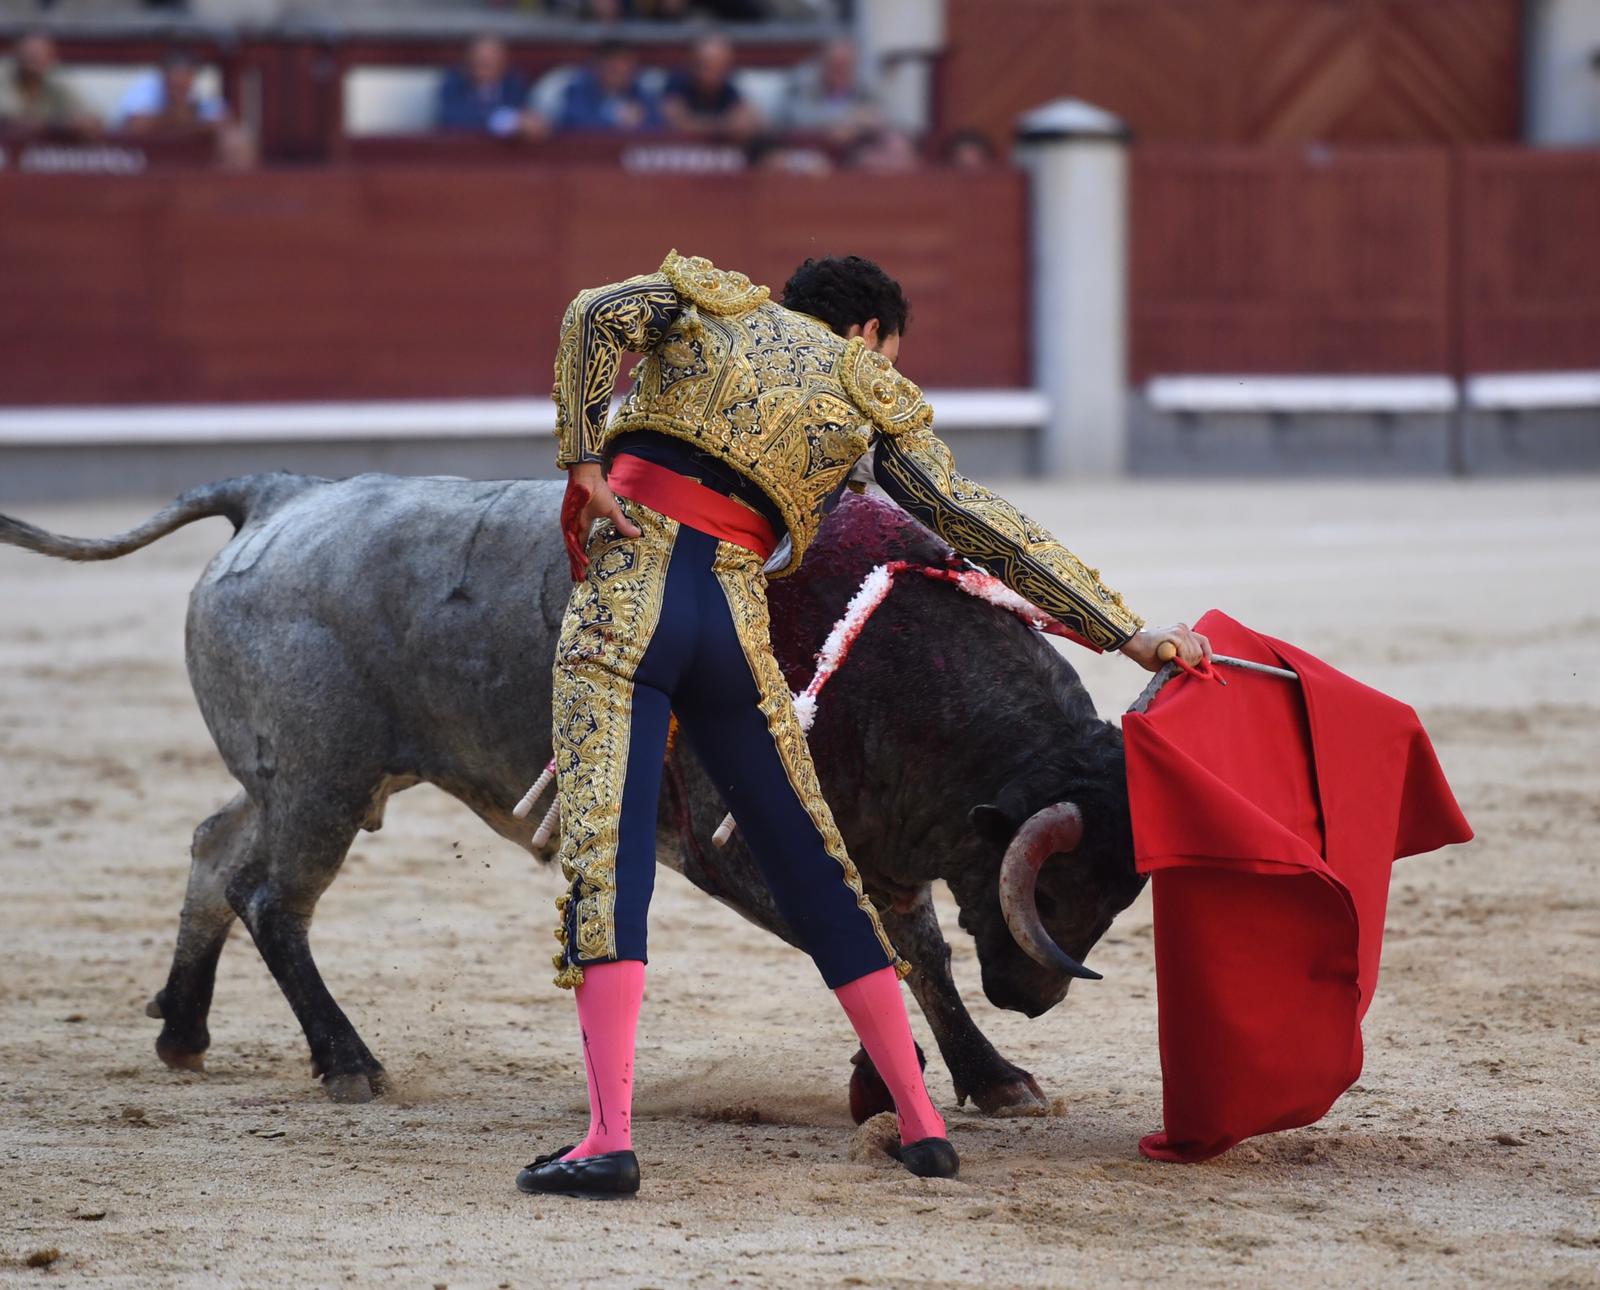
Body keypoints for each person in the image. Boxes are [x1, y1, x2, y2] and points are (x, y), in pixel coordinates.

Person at [517, 249, 1211, 1198]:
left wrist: (583, 461)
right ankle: (922, 1123)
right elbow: (975, 519)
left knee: (609, 861)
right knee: (821, 870)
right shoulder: (866, 387)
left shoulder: (707, 306)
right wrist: (1126, 634)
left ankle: (607, 1140)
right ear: (871, 334)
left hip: (628, 604)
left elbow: (593, 312)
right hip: (732, 623)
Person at [435, 35, 544, 139]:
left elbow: (526, 117)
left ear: (503, 62)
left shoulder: (514, 84)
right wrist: (504, 121)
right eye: (479, 61)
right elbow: (451, 118)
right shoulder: (453, 83)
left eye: (490, 62)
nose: (483, 67)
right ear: (469, 62)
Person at [780, 37, 880, 142]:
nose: (840, 70)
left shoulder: (865, 90)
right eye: (835, 64)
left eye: (846, 65)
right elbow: (798, 119)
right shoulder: (802, 87)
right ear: (823, 64)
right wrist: (848, 122)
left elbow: (878, 119)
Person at [0, 30, 99, 137]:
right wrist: (59, 125)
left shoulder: (56, 76)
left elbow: (91, 118)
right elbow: (12, 120)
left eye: (41, 54)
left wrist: (79, 121)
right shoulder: (4, 73)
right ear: (16, 54)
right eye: (30, 54)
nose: (35, 59)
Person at [660, 34, 761, 136]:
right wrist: (725, 125)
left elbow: (751, 121)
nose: (715, 71)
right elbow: (677, 124)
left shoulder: (728, 88)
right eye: (707, 65)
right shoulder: (677, 82)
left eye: (722, 65)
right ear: (693, 63)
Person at [553, 41, 663, 132]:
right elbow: (576, 124)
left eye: (627, 69)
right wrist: (614, 120)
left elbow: (657, 125)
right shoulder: (577, 91)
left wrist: (641, 122)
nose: (622, 75)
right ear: (599, 66)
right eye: (614, 69)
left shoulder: (641, 92)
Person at [113, 49, 226, 132]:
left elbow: (220, 121)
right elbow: (135, 124)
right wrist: (175, 118)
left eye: (187, 74)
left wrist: (191, 119)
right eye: (176, 75)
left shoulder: (199, 93)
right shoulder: (146, 87)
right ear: (164, 74)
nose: (180, 83)